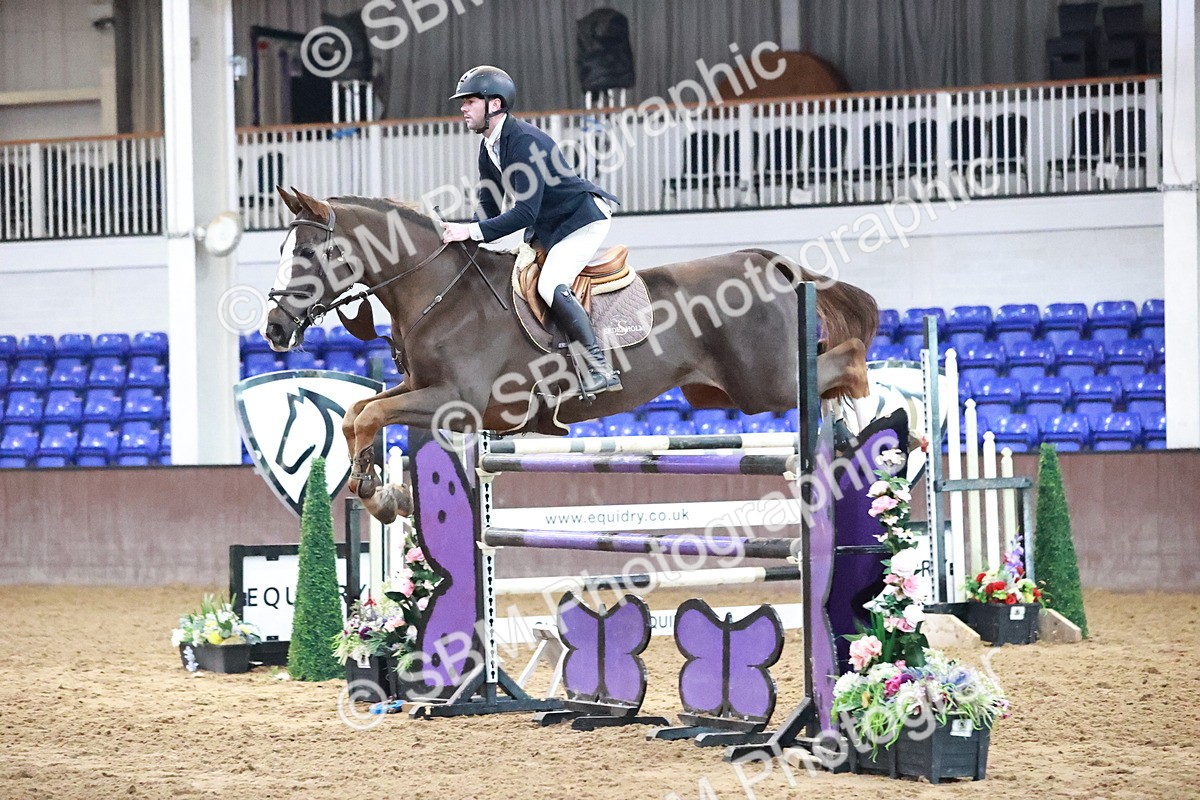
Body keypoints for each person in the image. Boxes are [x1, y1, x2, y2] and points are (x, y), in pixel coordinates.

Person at [440, 65, 623, 396]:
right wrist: (464, 234)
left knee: (551, 282)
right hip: (551, 225)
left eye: (469, 101)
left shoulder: (523, 143)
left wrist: (470, 232)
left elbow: (524, 213)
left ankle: (599, 366)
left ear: (494, 104)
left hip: (581, 220)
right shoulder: (489, 147)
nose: (463, 108)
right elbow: (489, 208)